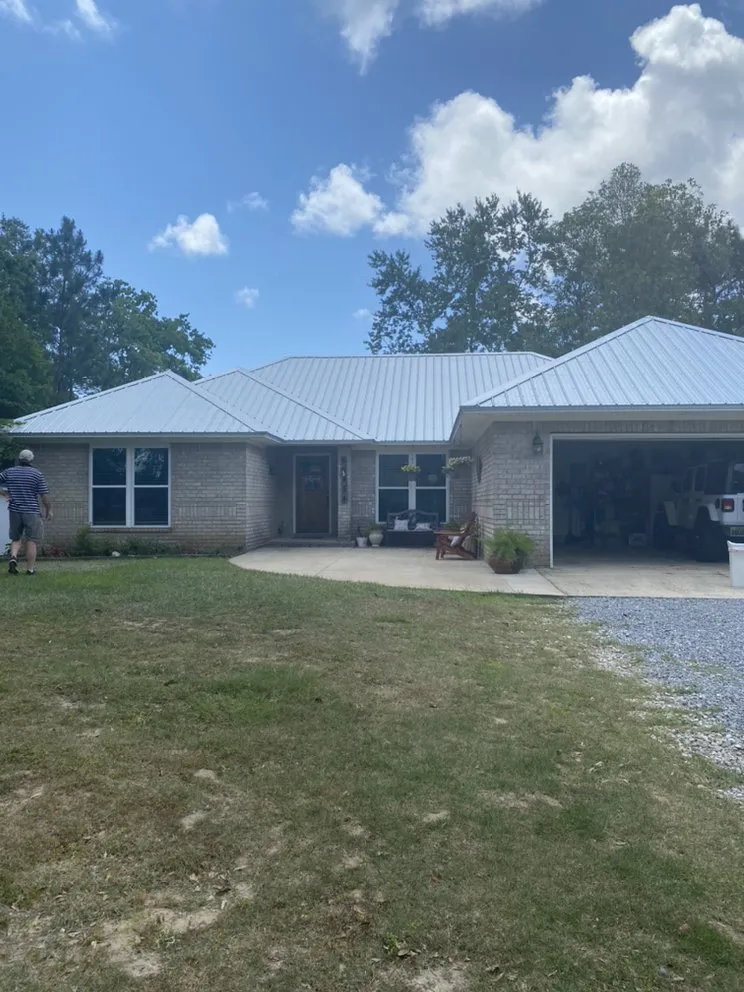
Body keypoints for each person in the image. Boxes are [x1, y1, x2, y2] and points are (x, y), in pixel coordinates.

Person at [0, 449, 52, 576]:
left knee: (15, 538)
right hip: (31, 511)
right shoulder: (37, 474)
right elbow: (44, 495)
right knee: (31, 540)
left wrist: (4, 494)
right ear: (31, 460)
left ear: (19, 459)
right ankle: (30, 570)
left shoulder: (9, 472)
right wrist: (49, 509)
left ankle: (13, 557)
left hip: (15, 510)